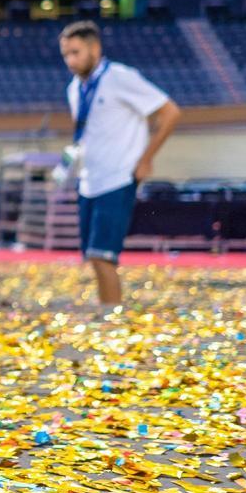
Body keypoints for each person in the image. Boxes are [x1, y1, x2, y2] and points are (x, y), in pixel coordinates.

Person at [59, 20, 182, 306]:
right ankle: (107, 310)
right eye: (66, 54)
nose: (70, 61)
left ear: (95, 48)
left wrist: (146, 159)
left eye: (76, 52)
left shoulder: (120, 77)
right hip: (89, 179)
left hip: (117, 177)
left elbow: (171, 112)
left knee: (103, 256)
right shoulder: (75, 88)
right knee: (93, 256)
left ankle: (112, 317)